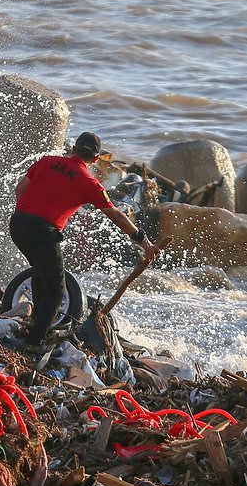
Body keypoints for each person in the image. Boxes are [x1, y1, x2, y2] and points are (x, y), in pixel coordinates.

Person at [9, 131, 159, 347]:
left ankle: (35, 323)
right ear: (96, 159)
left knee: (42, 273)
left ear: (73, 149)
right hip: (43, 232)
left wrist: (24, 216)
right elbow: (116, 214)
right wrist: (144, 242)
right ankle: (34, 342)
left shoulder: (47, 161)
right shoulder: (89, 183)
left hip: (17, 225)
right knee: (57, 289)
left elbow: (20, 189)